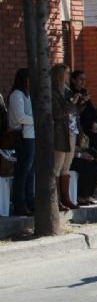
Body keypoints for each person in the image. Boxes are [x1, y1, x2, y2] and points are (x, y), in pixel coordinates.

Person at [52, 63, 83, 210]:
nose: (69, 76)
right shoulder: (53, 92)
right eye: (66, 73)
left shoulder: (67, 90)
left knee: (66, 167)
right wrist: (71, 103)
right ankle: (56, 200)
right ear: (59, 75)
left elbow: (73, 111)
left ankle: (66, 198)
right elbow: (58, 114)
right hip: (60, 133)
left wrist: (80, 103)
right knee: (57, 166)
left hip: (71, 131)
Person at [7, 69, 35, 216]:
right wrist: (38, 118)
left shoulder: (28, 95)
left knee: (30, 173)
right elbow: (20, 118)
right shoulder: (17, 95)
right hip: (22, 137)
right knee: (23, 172)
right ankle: (20, 204)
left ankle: (30, 202)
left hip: (31, 136)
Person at [69, 70, 97, 134]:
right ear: (73, 80)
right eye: (81, 79)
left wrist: (94, 122)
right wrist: (82, 101)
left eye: (84, 79)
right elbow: (74, 110)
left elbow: (91, 108)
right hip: (78, 126)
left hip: (90, 124)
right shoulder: (70, 92)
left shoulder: (84, 91)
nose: (83, 81)